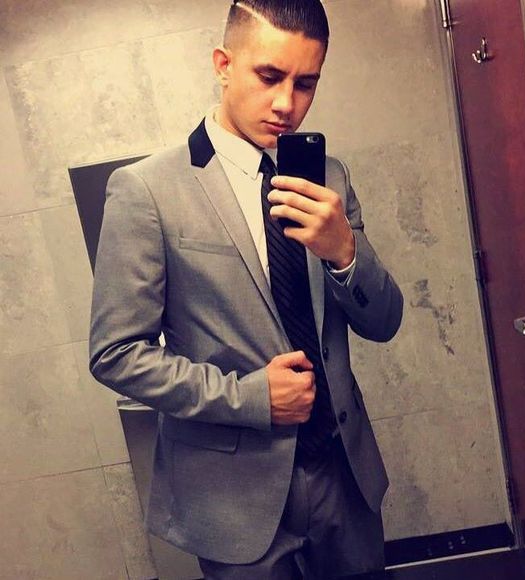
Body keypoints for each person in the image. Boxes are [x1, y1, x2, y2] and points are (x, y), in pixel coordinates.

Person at [89, 0, 404, 578]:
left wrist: (345, 253)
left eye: (305, 83)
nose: (287, 104)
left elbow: (384, 322)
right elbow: (116, 353)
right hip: (233, 495)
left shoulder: (329, 178)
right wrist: (251, 398)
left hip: (342, 474)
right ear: (223, 64)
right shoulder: (146, 190)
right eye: (269, 75)